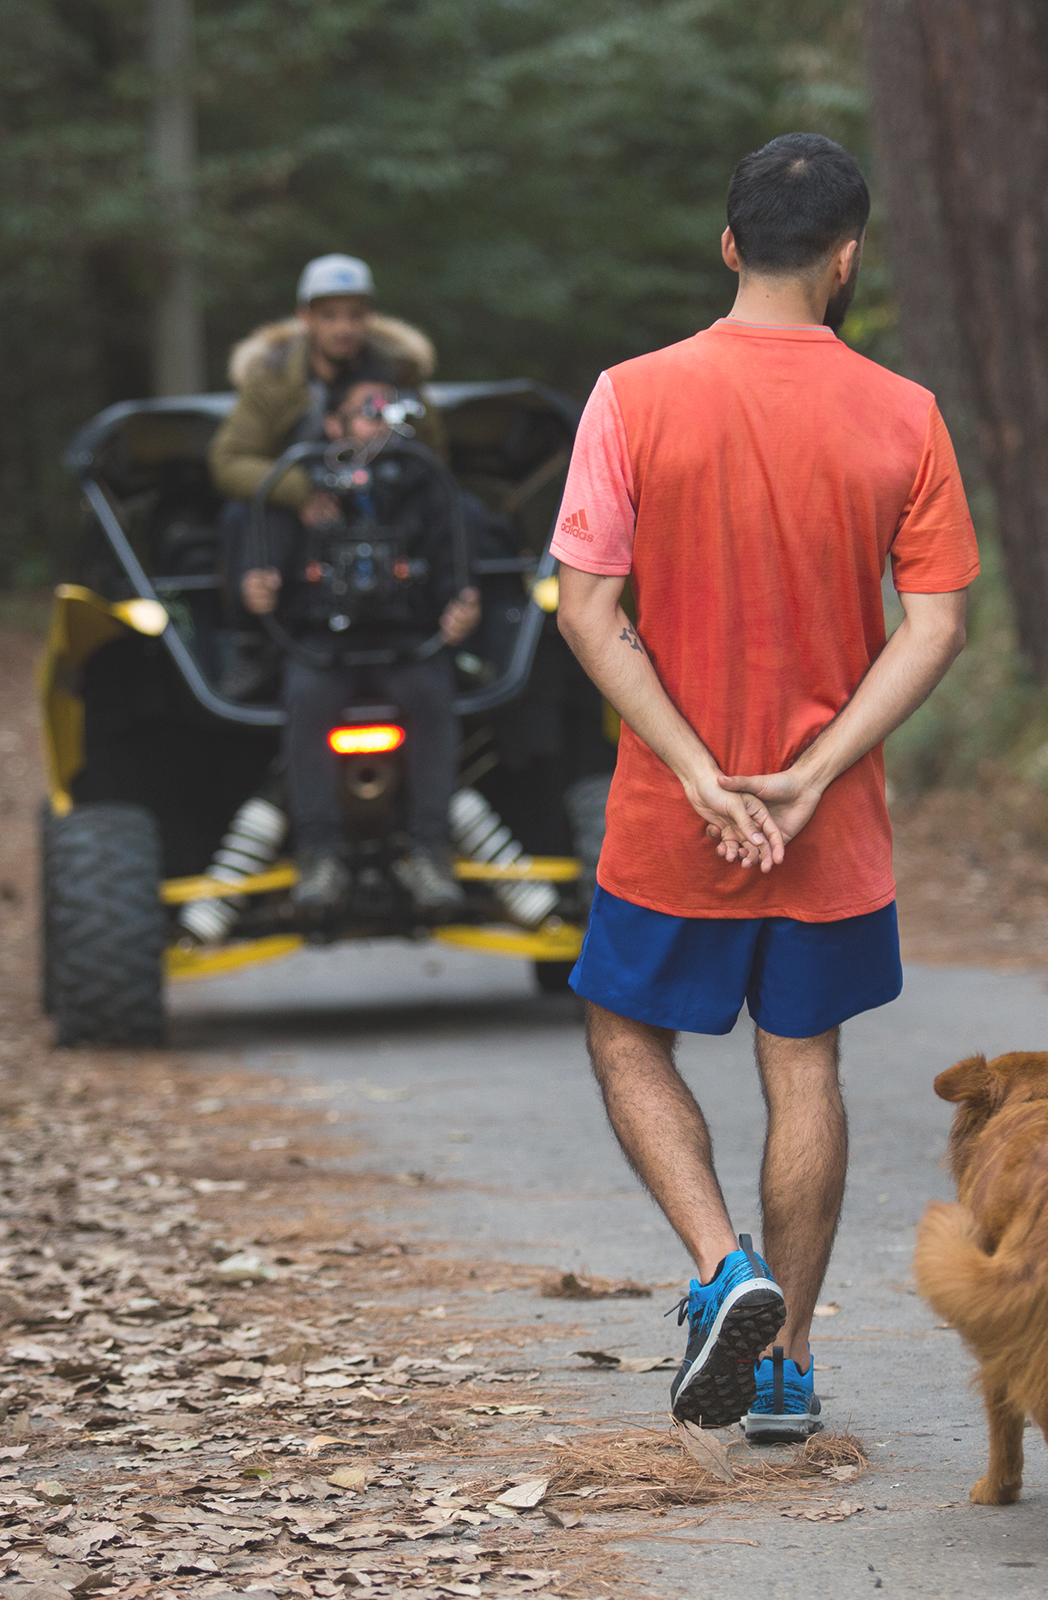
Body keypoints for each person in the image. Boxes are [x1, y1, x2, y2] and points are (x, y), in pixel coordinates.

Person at [551, 133, 978, 1442]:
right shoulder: (904, 415)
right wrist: (810, 775)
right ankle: (786, 1360)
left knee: (627, 1038)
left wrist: (695, 769)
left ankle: (719, 1265)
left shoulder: (631, 397)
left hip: (672, 816)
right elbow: (937, 625)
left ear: (728, 245)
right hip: (825, 825)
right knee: (807, 1073)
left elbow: (588, 609)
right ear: (849, 260)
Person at [237, 378, 480, 915]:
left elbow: (455, 567)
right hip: (322, 646)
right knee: (304, 698)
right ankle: (317, 854)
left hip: (408, 643)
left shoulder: (426, 484)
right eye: (368, 413)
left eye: (390, 413)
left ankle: (429, 849)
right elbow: (261, 563)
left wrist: (462, 607)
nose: (381, 424)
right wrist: (258, 588)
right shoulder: (300, 488)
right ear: (334, 425)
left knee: (432, 695)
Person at [209, 253, 442, 699]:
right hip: (306, 514)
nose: (343, 328)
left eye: (355, 315)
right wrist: (299, 492)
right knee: (247, 515)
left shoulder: (396, 374)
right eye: (329, 315)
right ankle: (255, 643)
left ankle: (451, 631)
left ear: (369, 318)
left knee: (456, 508)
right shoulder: (274, 381)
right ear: (305, 317)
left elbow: (433, 456)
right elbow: (229, 459)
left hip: (385, 503)